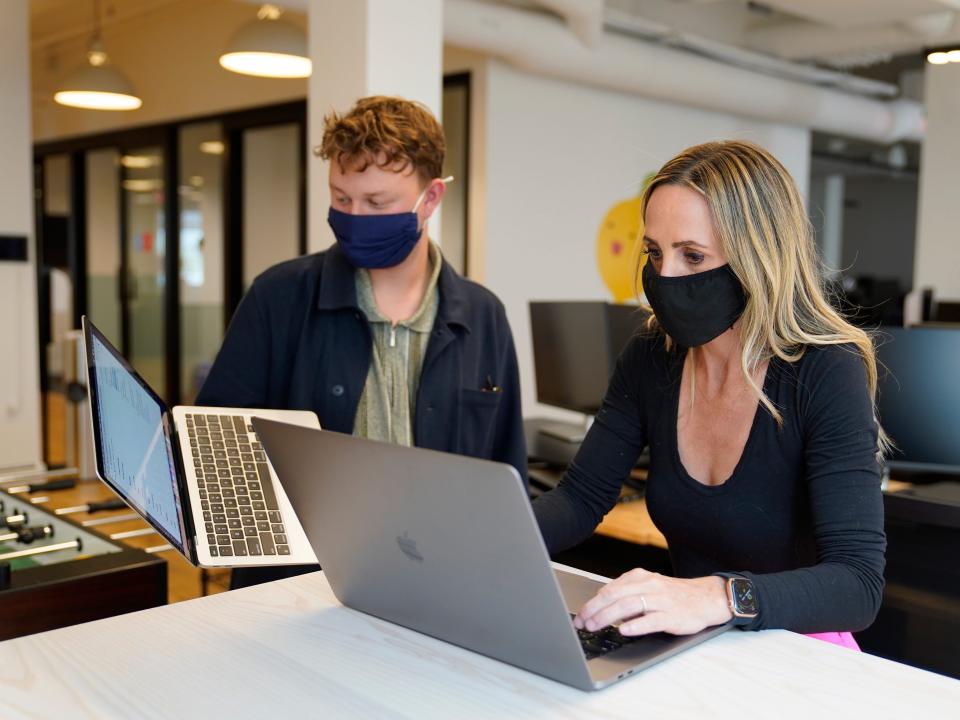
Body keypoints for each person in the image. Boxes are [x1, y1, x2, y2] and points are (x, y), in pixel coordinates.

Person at [533, 140, 886, 647]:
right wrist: (493, 541)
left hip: (799, 651)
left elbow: (858, 585)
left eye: (692, 256)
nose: (663, 276)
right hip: (691, 644)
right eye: (655, 252)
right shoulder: (652, 356)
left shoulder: (825, 371)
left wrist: (717, 597)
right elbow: (581, 499)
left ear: (757, 259)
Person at [198, 96, 526, 587]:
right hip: (298, 586)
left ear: (431, 199)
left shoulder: (484, 317)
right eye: (341, 198)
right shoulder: (279, 297)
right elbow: (218, 446)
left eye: (377, 203)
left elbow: (506, 474)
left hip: (440, 583)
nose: (355, 217)